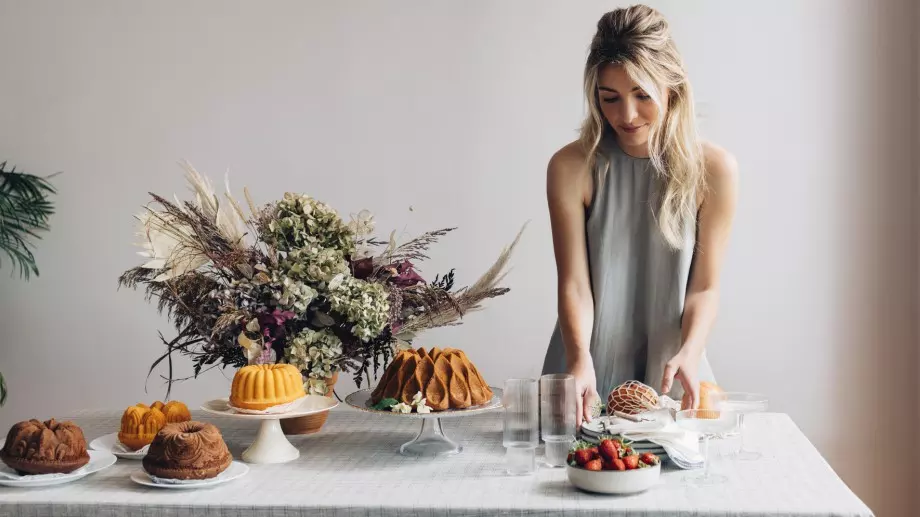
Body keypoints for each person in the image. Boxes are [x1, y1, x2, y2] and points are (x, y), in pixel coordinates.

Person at [542, 4, 738, 427]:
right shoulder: (570, 167)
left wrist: (691, 351)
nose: (626, 116)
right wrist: (579, 359)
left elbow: (704, 287)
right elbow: (574, 284)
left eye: (642, 95)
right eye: (609, 98)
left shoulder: (714, 170)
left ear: (672, 88)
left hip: (675, 371)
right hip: (585, 371)